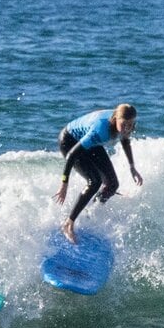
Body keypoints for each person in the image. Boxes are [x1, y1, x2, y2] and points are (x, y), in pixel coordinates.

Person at [55, 103, 143, 242]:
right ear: (116, 119)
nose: (127, 128)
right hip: (70, 141)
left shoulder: (126, 124)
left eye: (130, 125)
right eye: (124, 124)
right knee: (94, 182)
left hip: (90, 142)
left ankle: (88, 213)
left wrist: (132, 167)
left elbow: (125, 140)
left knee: (112, 184)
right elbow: (71, 155)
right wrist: (64, 184)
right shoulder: (101, 130)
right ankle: (68, 224)